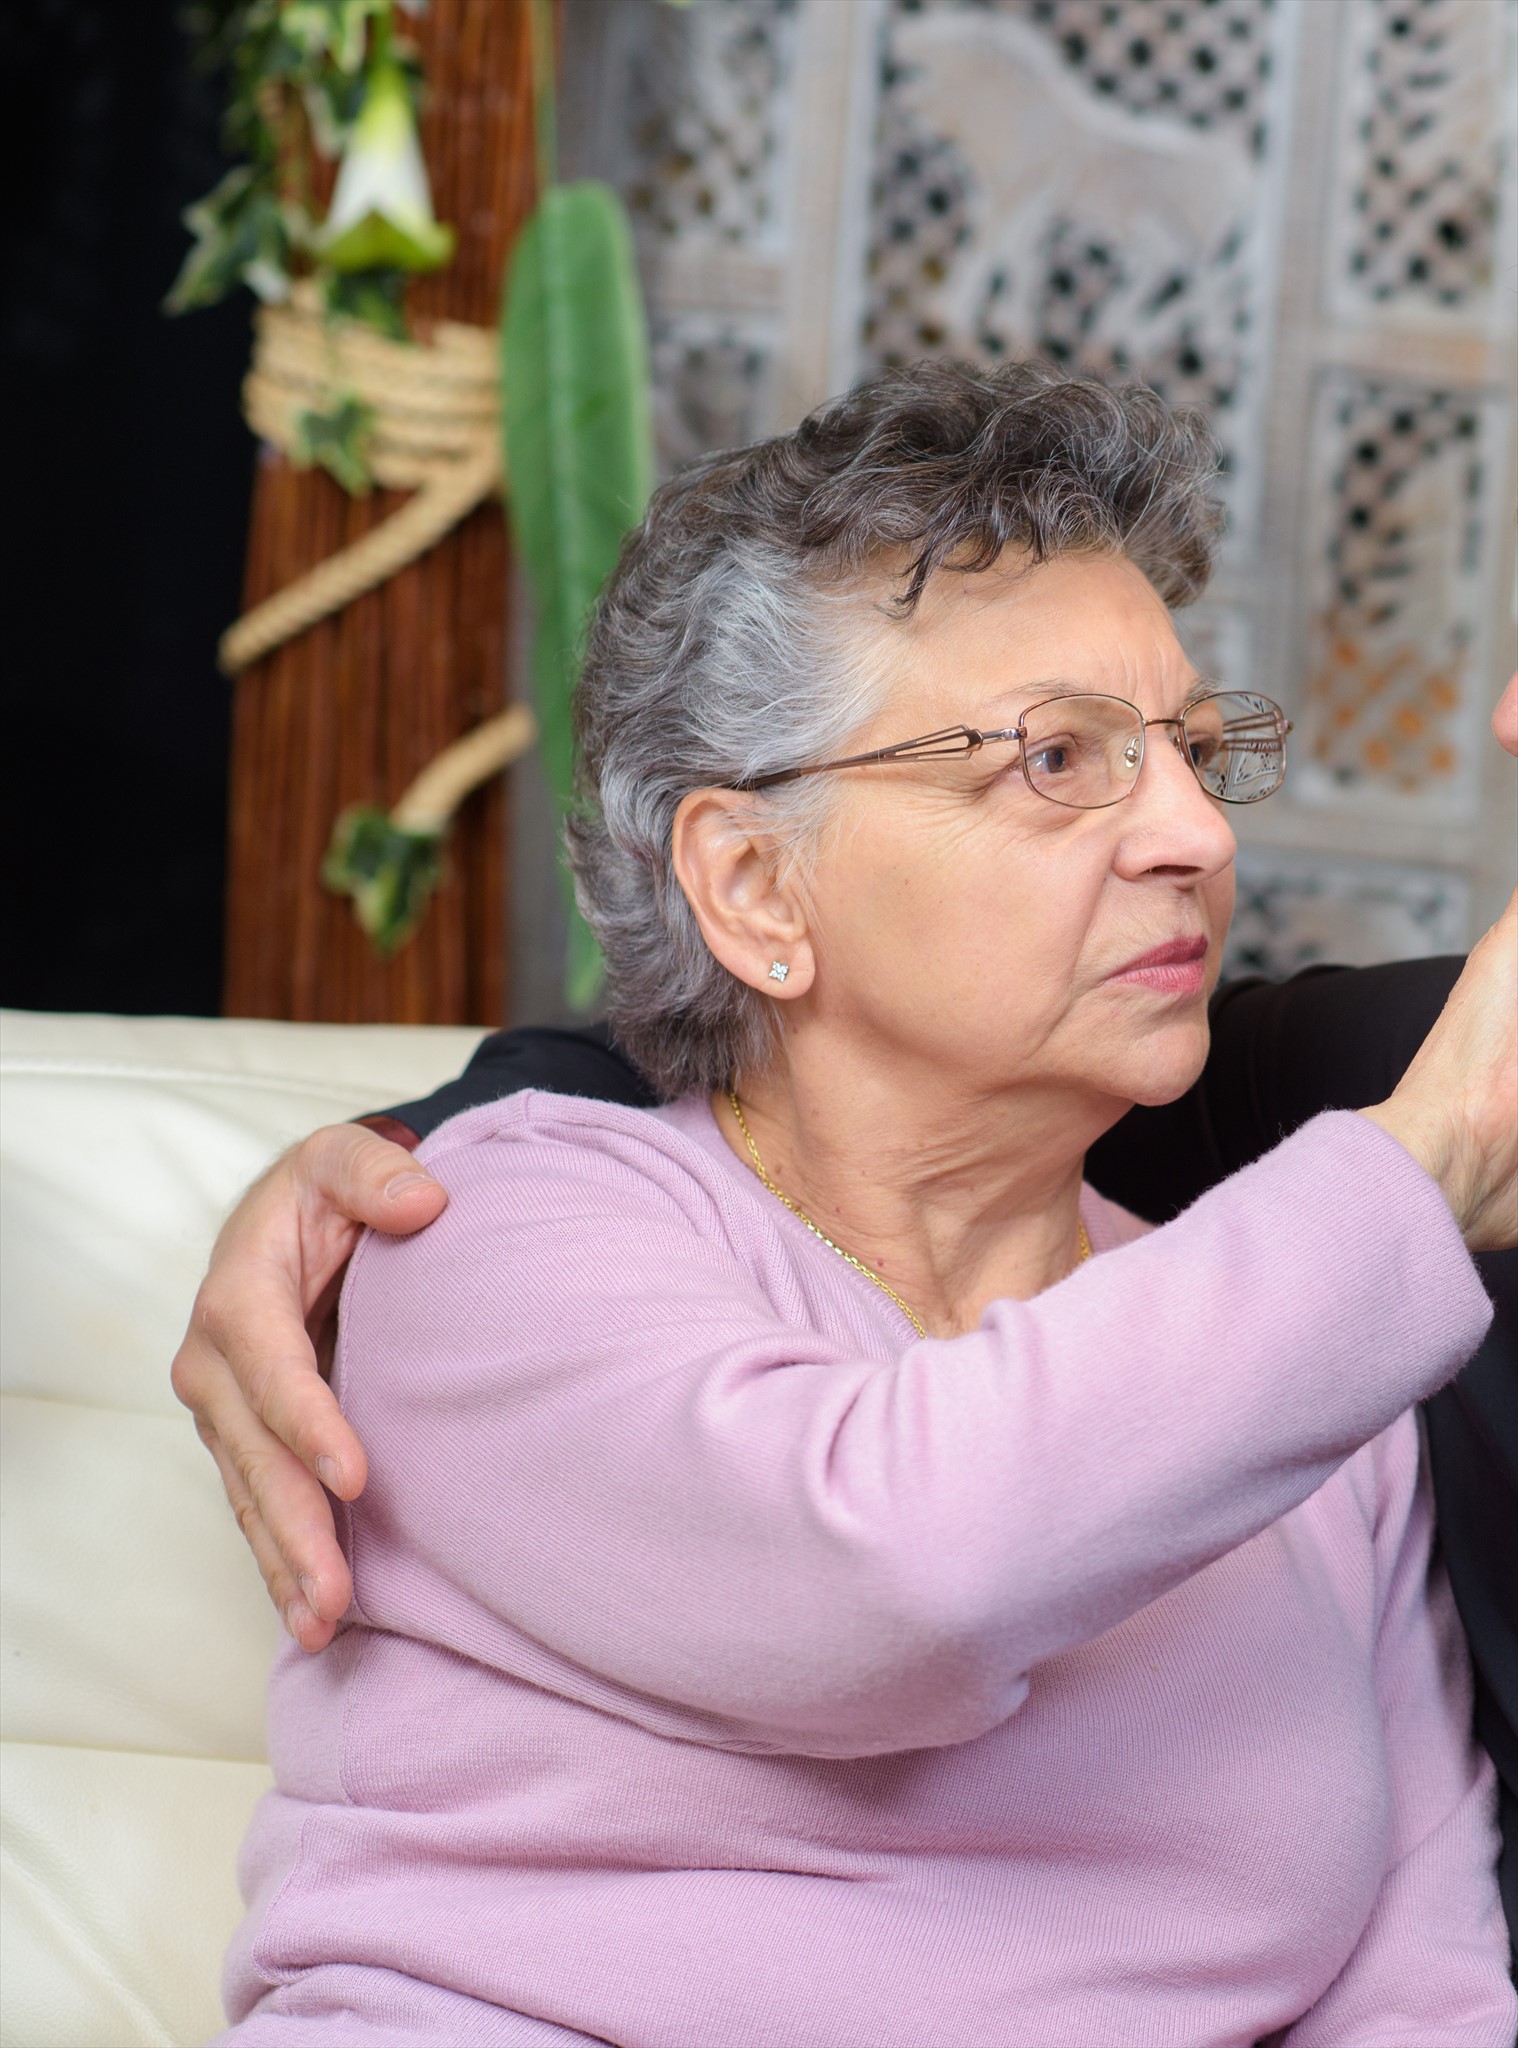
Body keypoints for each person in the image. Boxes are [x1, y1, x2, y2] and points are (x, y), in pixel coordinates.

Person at [210, 362, 1516, 2042]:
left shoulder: (1319, 1376)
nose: (1194, 832)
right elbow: (899, 1574)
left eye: (1195, 754)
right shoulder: (496, 1231)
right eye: (1060, 757)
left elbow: (1419, 1986)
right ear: (755, 883)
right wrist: (1427, 1164)